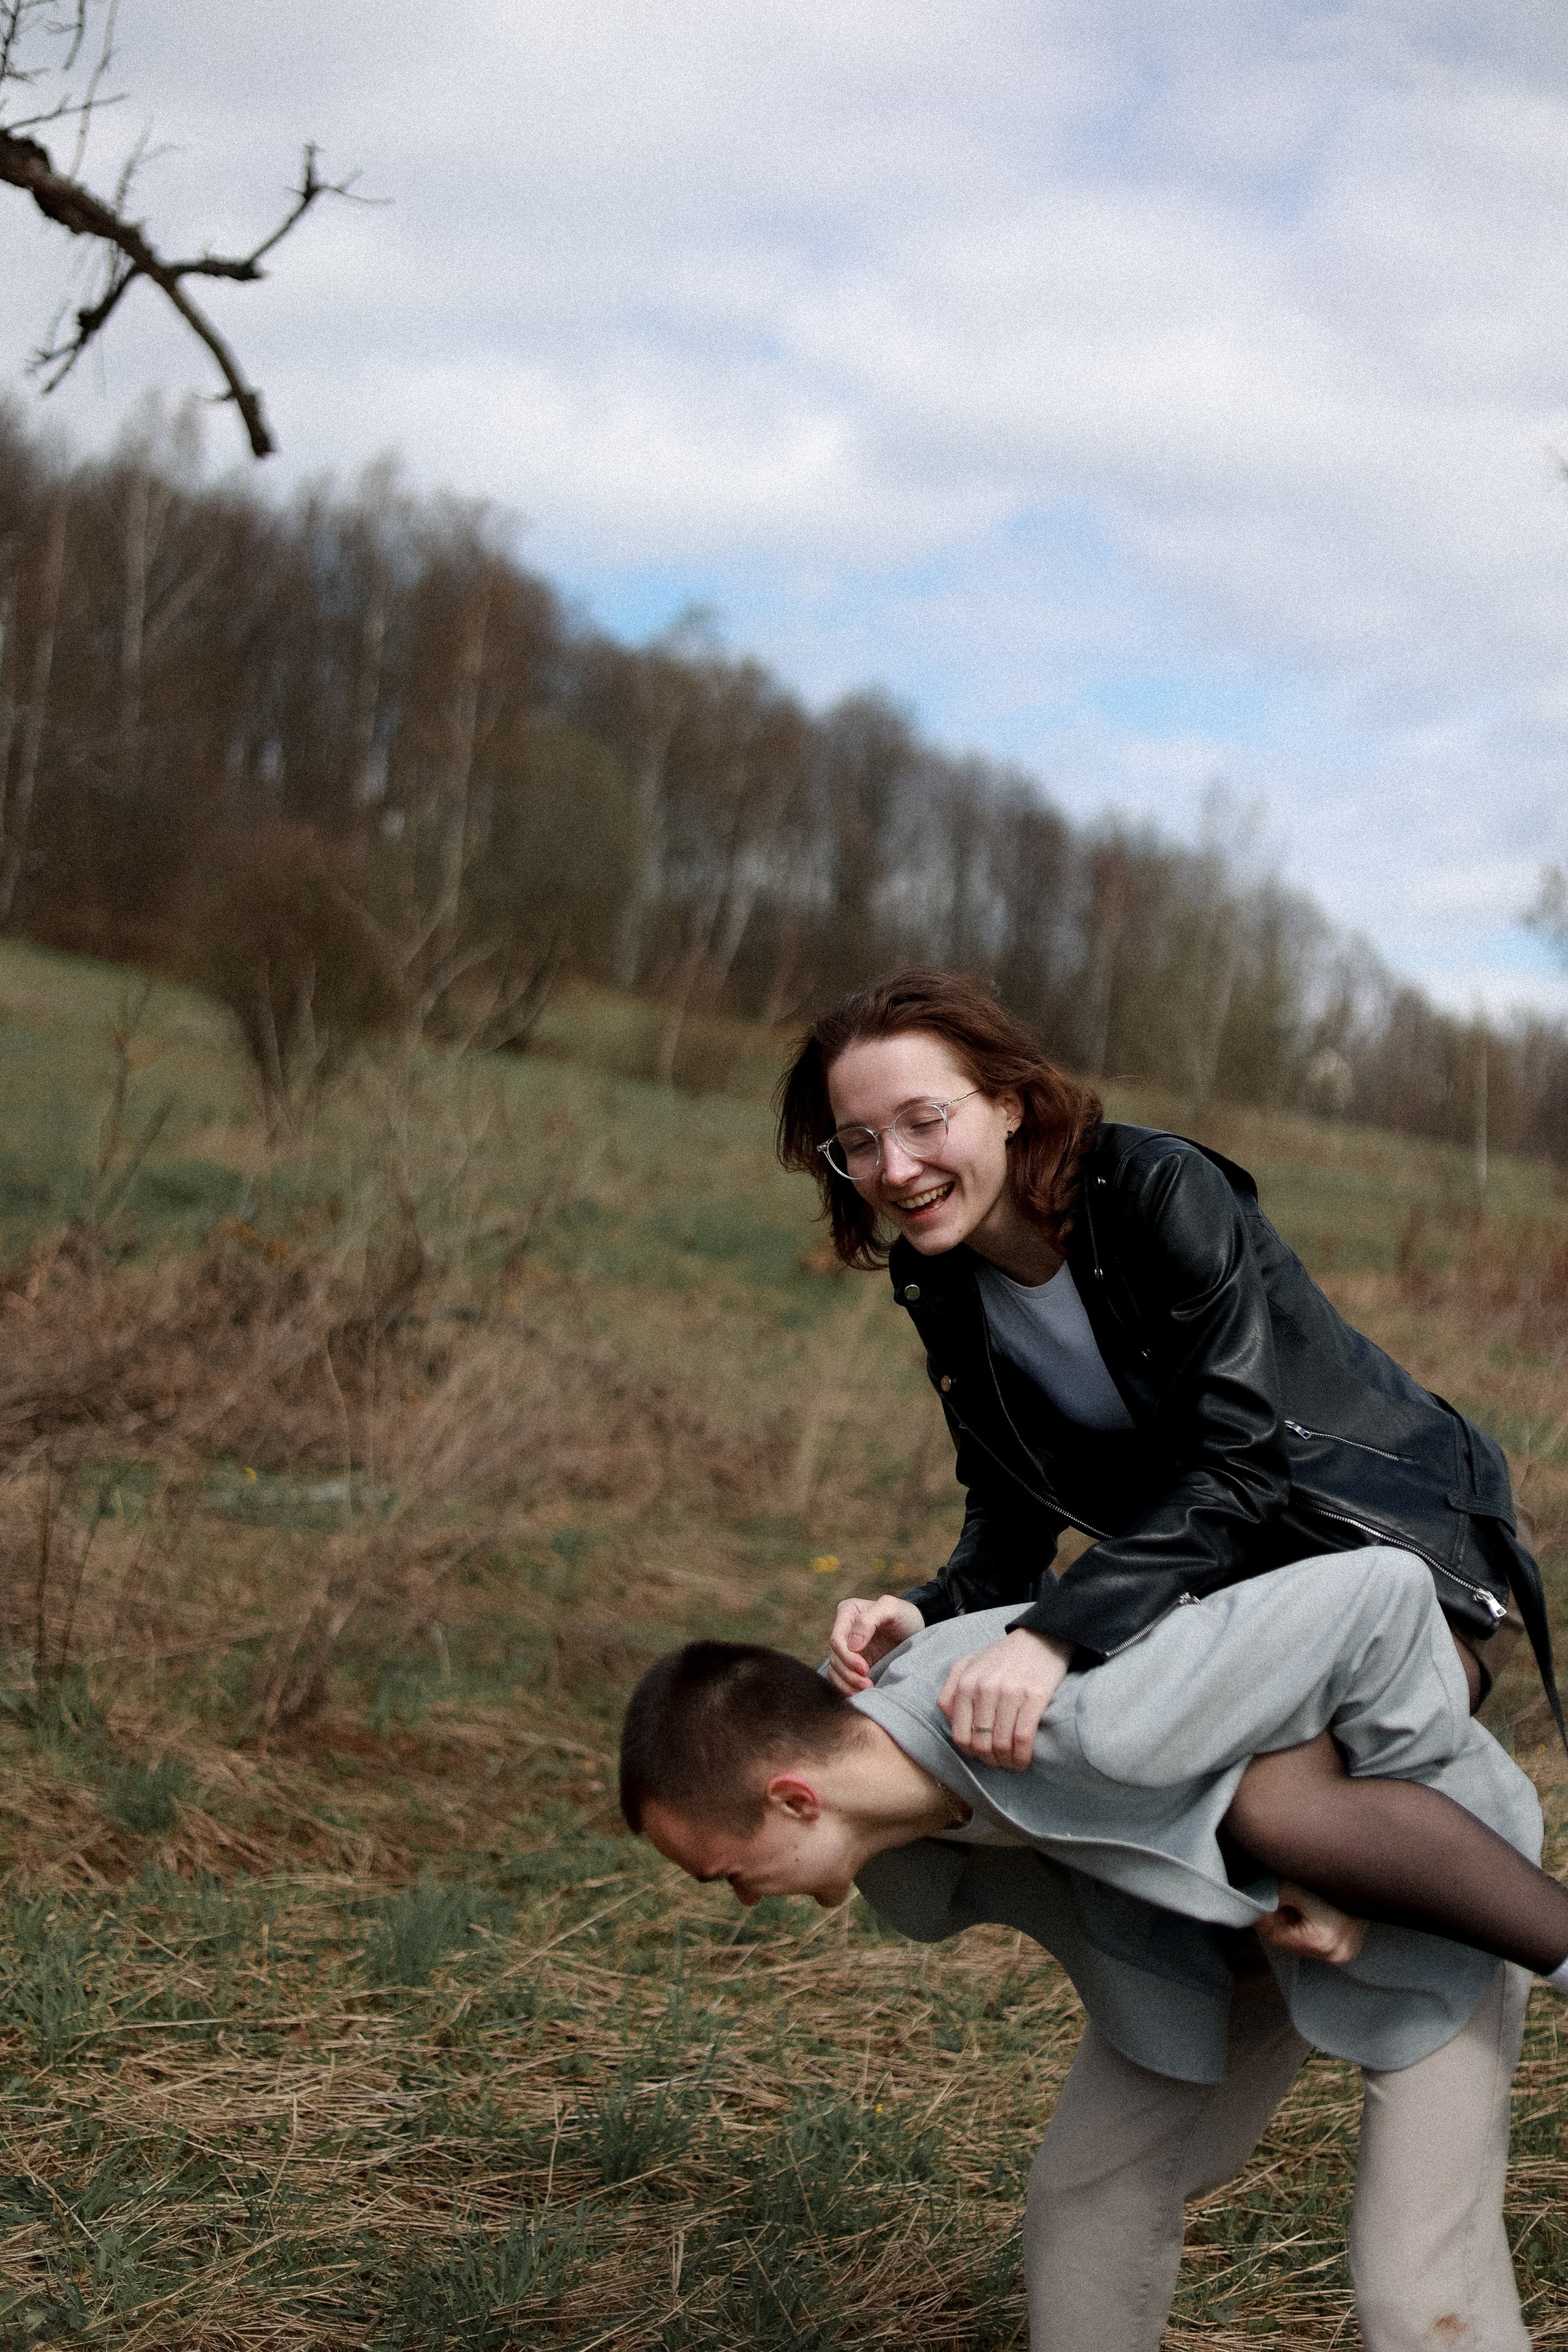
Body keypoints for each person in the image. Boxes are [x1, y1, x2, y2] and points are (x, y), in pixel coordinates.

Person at [756, 963, 1566, 2348]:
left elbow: (1241, 1468)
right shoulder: (943, 1283)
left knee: (1265, 1797)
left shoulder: (1155, 1193)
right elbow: (1009, 1517)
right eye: (857, 1143)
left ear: (1008, 1103)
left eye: (923, 1121)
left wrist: (1059, 1635)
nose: (893, 1168)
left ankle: (1406, 1908)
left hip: (1389, 1553)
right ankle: (1299, 1909)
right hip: (1226, 1594)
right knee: (1208, 1795)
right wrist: (925, 1608)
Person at [621, 1555, 1567, 2350]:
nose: (744, 1897)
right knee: (1088, 2198)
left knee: (1416, 2282)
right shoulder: (891, 1765)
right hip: (1217, 1939)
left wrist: (1344, 1849)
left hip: (1434, 1902)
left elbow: (1377, 1588)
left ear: (795, 1799)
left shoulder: (1079, 1725)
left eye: (727, 1873)